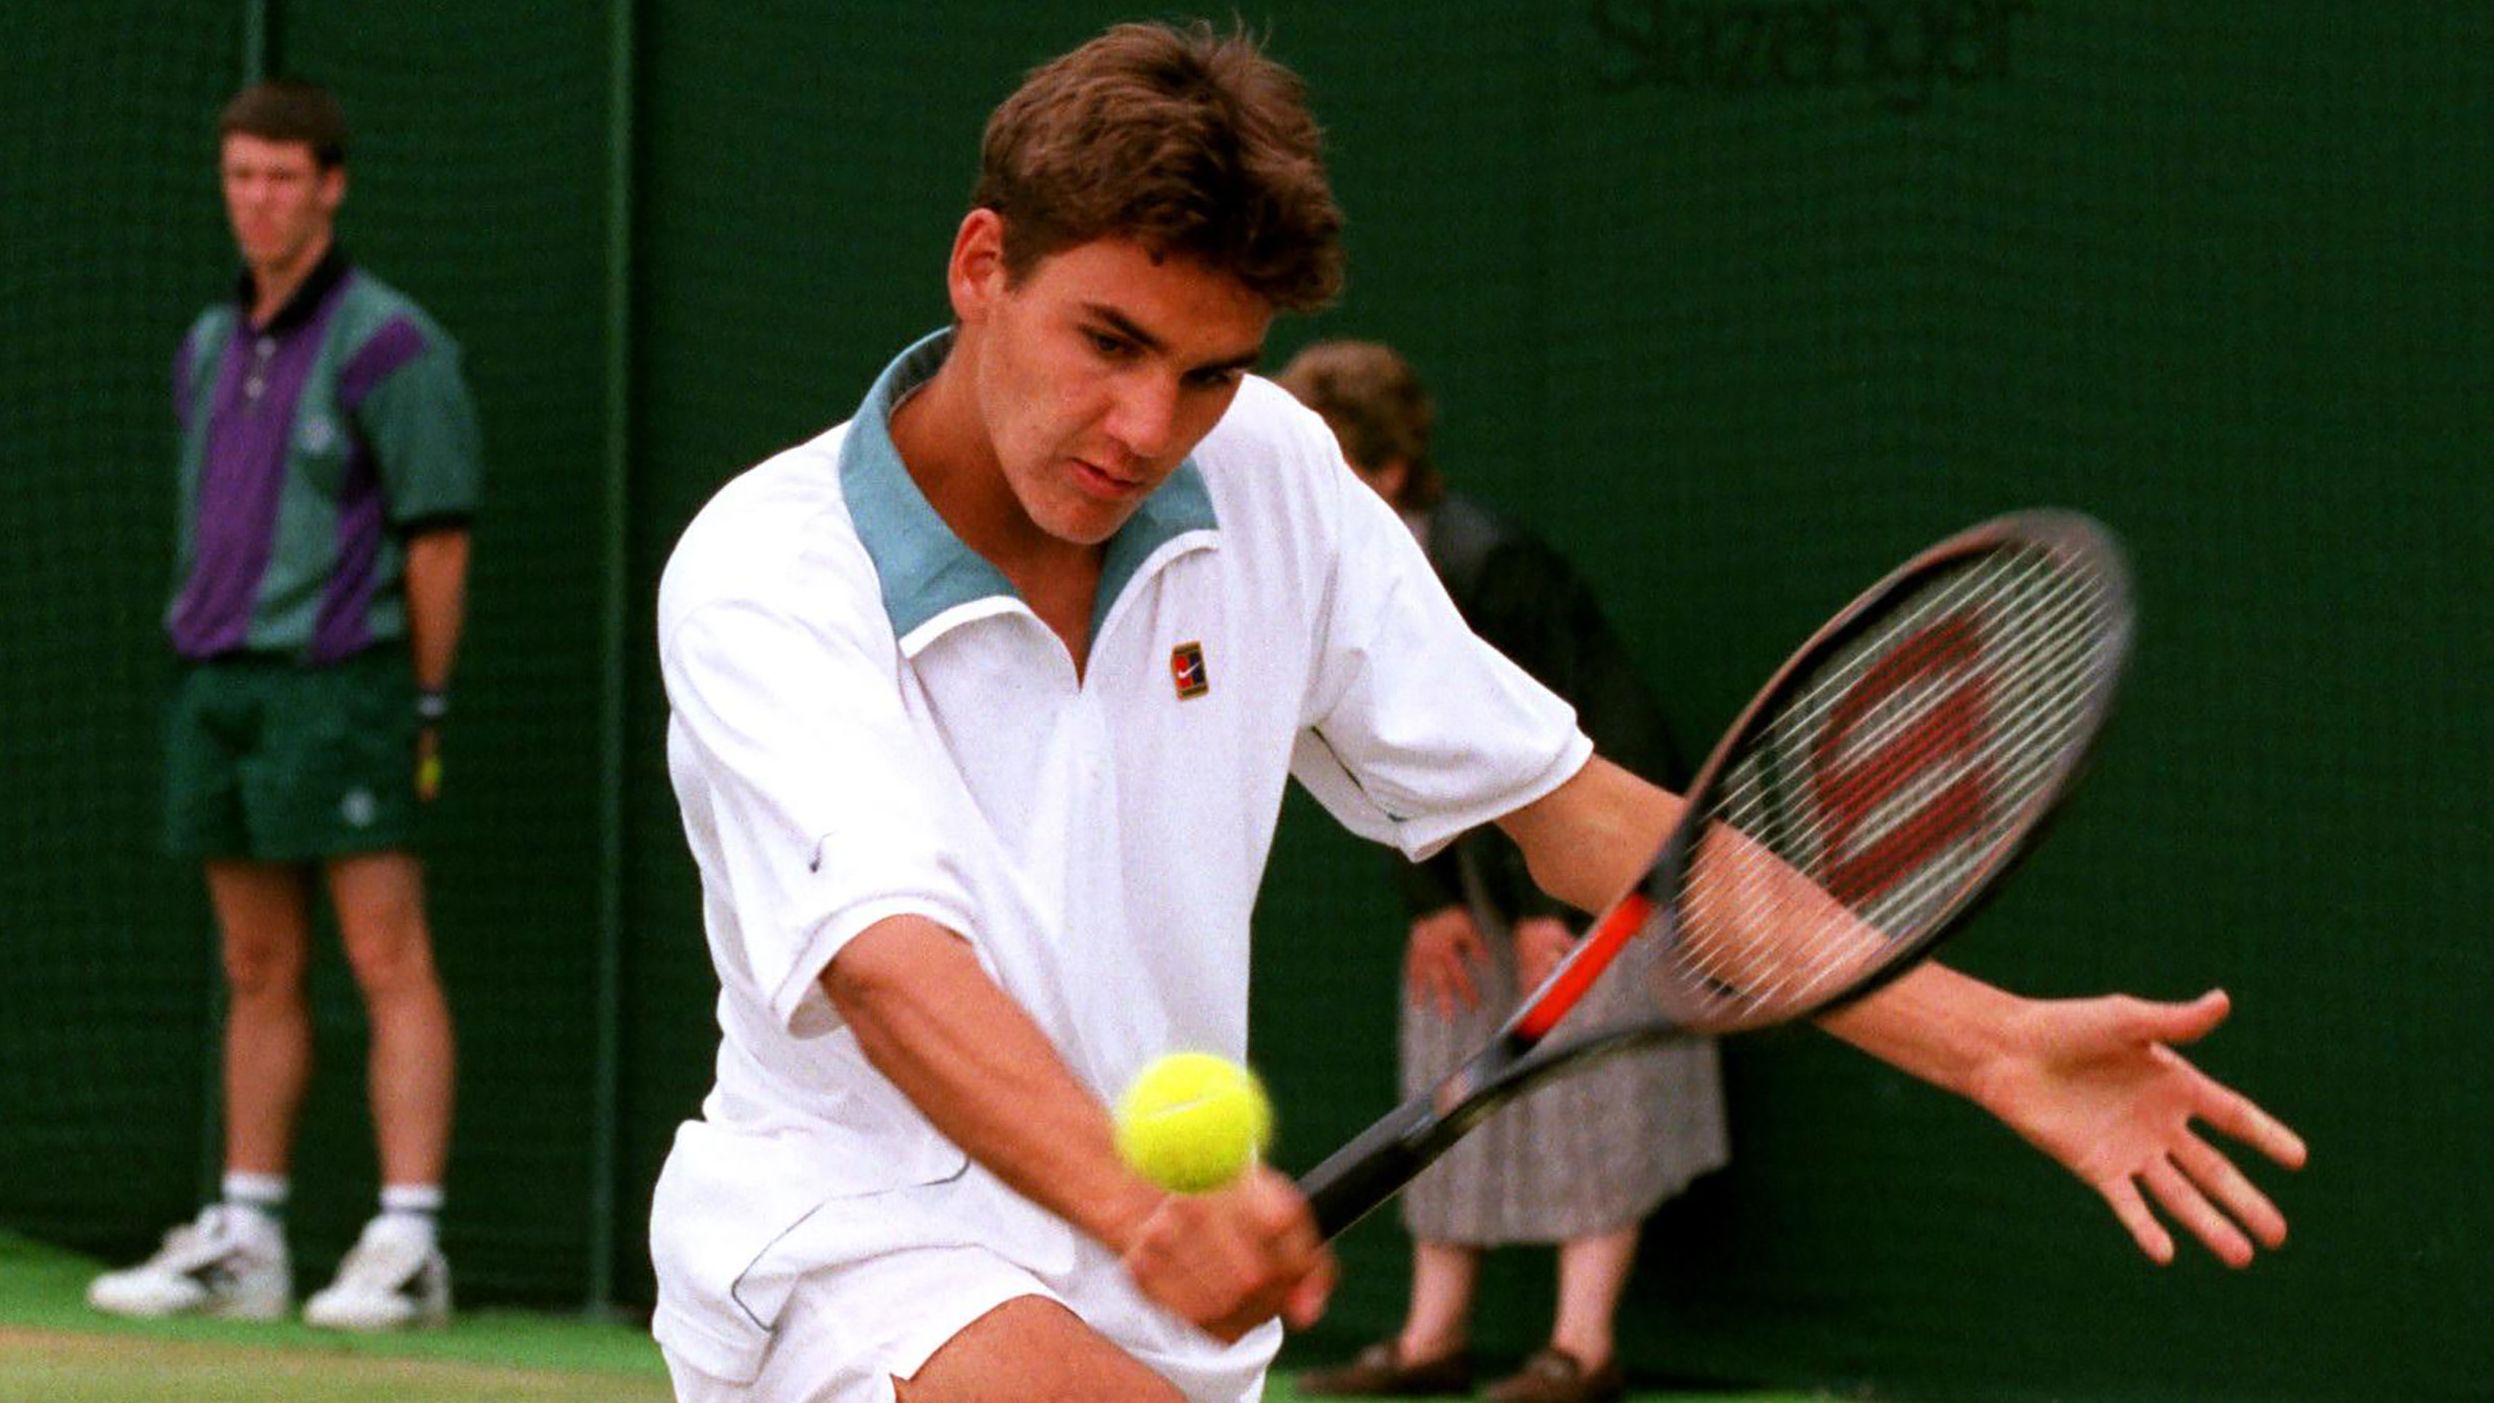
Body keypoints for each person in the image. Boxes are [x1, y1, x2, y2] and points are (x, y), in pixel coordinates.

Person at [646, 21, 2304, 1403]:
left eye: (1210, 368)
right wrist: (1140, 1204)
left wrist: (1987, 1038)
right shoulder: (769, 570)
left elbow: (1582, 818)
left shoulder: (1273, 478)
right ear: (980, 264)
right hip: (855, 1250)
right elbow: (889, 963)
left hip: (1156, 1300)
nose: (1146, 421)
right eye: (1109, 340)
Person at [87, 79, 481, 1332]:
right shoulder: (210, 344)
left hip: (348, 685)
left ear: (330, 186)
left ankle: (407, 1241)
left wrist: (418, 699)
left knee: (383, 954)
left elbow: (437, 540)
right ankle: (248, 1234)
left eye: (282, 176)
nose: (258, 200)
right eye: (240, 177)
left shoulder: (392, 346)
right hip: (219, 689)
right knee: (256, 962)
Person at [1279, 341, 1721, 1403]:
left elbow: (1563, 750)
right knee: (1448, 1046)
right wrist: (1430, 905)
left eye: (1317, 470)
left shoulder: (1491, 561)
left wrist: (1545, 903)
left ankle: (1581, 1347)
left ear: (1384, 474)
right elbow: (1364, 761)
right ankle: (1431, 1339)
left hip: (1608, 858)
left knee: (1588, 1077)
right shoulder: (1318, 584)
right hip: (1471, 862)